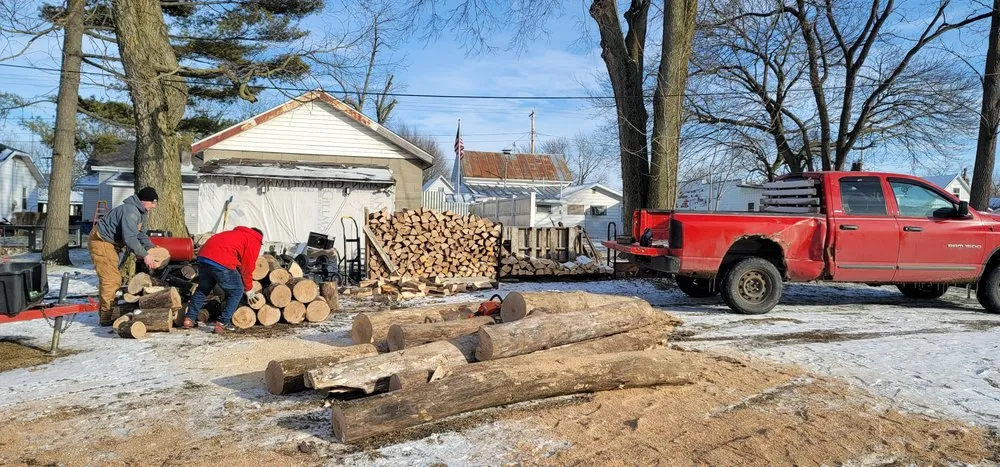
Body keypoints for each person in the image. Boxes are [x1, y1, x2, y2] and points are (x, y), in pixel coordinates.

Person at [89, 187, 160, 326]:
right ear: (144, 201)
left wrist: (151, 248)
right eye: (153, 202)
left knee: (113, 278)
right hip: (101, 241)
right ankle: (106, 316)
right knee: (111, 279)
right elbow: (130, 238)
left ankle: (108, 311)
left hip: (110, 244)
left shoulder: (140, 212)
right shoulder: (131, 211)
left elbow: (140, 234)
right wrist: (145, 255)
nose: (154, 206)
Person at [182, 226, 264, 334]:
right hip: (221, 261)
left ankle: (189, 319)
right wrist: (248, 289)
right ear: (260, 237)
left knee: (203, 289)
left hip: (204, 258)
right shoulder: (254, 240)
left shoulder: (235, 234)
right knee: (237, 291)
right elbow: (247, 266)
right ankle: (222, 322)